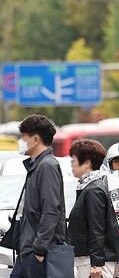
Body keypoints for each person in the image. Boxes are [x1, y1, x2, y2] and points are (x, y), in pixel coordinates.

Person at [9, 115, 67, 278]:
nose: (21, 141)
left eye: (23, 137)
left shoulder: (47, 166)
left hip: (40, 252)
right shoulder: (38, 165)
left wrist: (40, 249)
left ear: (35, 139)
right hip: (29, 249)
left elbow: (51, 210)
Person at [69, 139, 119, 278]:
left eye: (74, 160)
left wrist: (96, 264)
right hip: (90, 259)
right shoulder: (87, 187)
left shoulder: (93, 190)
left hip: (94, 262)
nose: (72, 165)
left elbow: (96, 228)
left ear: (86, 163)